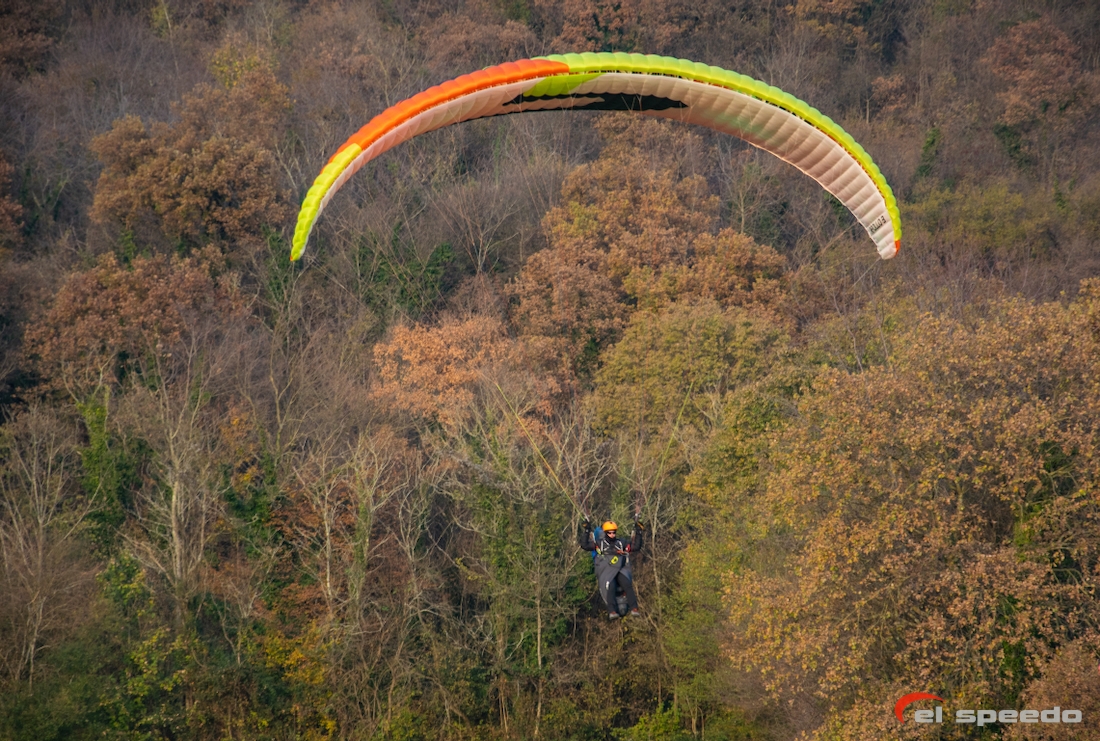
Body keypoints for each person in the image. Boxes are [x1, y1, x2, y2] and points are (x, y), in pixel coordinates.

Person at [579, 517, 643, 619]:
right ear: (605, 533)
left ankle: (634, 608)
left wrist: (639, 532)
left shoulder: (621, 543)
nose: (612, 535)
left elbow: (636, 547)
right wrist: (587, 530)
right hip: (607, 570)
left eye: (614, 532)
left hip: (620, 569)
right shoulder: (600, 544)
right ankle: (612, 611)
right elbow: (585, 545)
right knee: (610, 586)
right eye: (610, 533)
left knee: (627, 584)